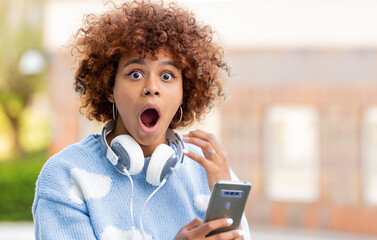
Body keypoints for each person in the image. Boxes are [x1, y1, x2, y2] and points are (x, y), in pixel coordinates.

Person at [32, 1, 249, 239]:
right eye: (135, 74)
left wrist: (226, 194)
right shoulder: (66, 175)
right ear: (109, 88)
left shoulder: (211, 174)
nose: (151, 87)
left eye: (167, 76)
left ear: (183, 92)